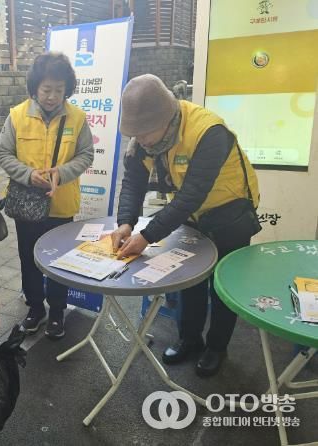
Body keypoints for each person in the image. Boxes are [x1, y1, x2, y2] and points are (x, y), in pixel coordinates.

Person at [111, 74, 260, 377]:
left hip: (231, 213)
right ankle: (189, 339)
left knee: (222, 287)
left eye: (146, 133)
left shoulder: (209, 132)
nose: (141, 140)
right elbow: (133, 183)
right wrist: (125, 223)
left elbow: (191, 195)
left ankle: (217, 347)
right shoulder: (142, 141)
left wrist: (147, 236)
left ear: (167, 118)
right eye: (136, 134)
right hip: (192, 218)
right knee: (190, 280)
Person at [0, 52, 94, 339]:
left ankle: (57, 312)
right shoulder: (17, 116)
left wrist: (60, 173)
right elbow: (3, 153)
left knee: (60, 261)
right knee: (29, 258)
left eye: (59, 90)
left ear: (67, 89)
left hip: (61, 204)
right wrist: (28, 175)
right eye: (46, 89)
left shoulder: (77, 118)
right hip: (27, 205)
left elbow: (86, 154)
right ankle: (35, 308)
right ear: (35, 87)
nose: (52, 97)